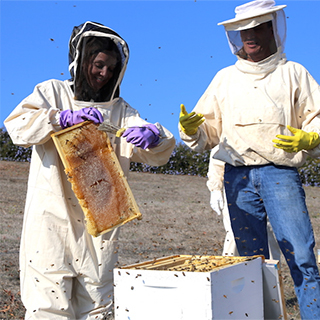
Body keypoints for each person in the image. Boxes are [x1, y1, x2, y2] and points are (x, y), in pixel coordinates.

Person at [5, 21, 175, 320]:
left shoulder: (121, 110)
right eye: (98, 64)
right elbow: (17, 126)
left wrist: (156, 136)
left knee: (98, 306)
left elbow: (154, 150)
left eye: (111, 68)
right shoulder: (52, 93)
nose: (104, 73)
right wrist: (60, 118)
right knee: (47, 306)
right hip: (51, 219)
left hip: (102, 221)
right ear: (81, 61)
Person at [178, 1, 320, 318]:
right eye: (244, 30)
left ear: (273, 29)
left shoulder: (293, 73)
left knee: (301, 257)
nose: (250, 36)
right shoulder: (224, 79)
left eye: (257, 28)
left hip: (280, 174)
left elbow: (317, 117)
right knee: (248, 263)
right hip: (237, 177)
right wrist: (191, 130)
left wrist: (312, 136)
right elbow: (207, 134)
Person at [207, 150, 280, 260]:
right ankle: (230, 275)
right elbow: (219, 150)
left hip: (271, 175)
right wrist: (215, 187)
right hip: (236, 180)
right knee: (235, 232)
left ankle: (271, 275)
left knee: (269, 232)